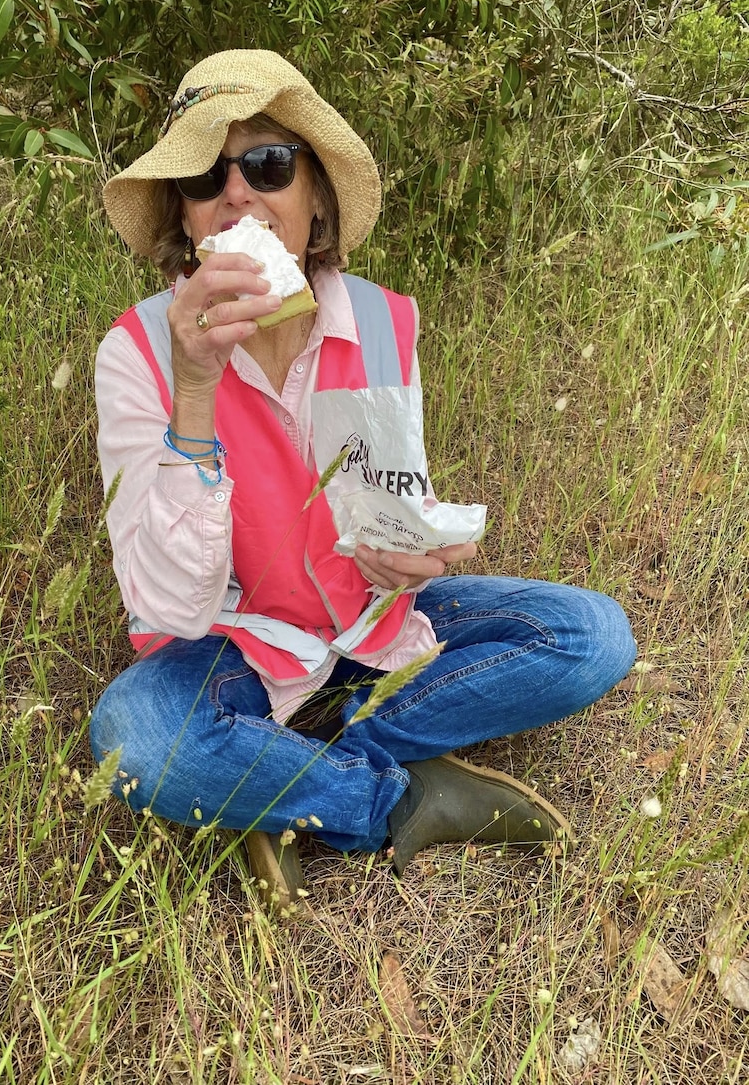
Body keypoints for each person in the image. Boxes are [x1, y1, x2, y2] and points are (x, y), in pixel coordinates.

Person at [91, 49, 636, 908]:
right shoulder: (138, 352)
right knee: (139, 738)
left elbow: (388, 490)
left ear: (314, 205)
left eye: (268, 164)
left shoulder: (382, 319)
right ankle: (398, 795)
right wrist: (195, 386)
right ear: (186, 220)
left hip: (368, 623)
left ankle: (278, 782)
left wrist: (408, 549)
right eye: (205, 175)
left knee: (593, 636)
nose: (237, 194)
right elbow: (168, 608)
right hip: (235, 644)